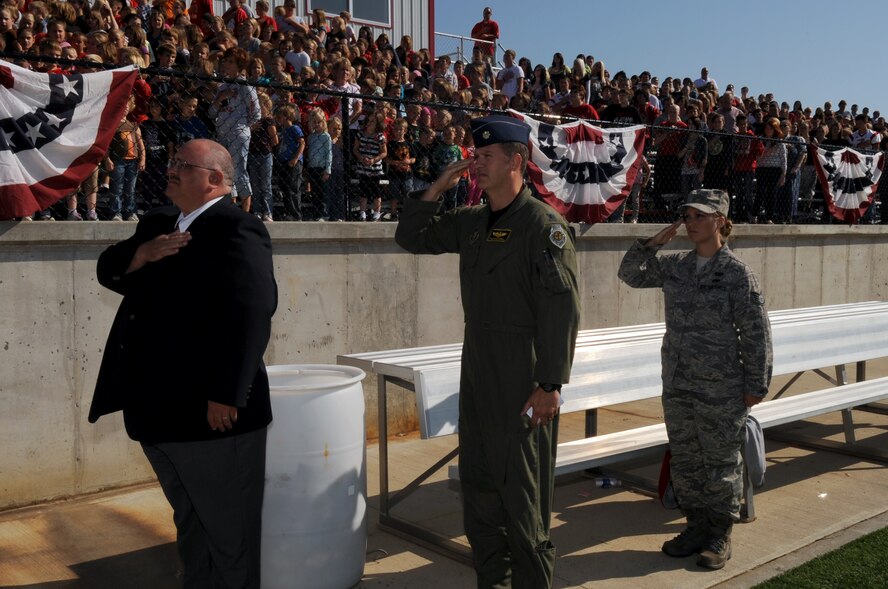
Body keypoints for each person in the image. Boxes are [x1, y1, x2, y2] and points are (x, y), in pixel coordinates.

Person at [395, 115, 581, 588]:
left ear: (516, 160)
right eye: (474, 156)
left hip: (523, 374)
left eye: (486, 156)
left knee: (523, 498)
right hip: (478, 367)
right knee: (479, 490)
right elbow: (411, 237)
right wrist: (439, 185)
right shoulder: (473, 222)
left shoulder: (543, 227)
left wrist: (550, 383)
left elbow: (561, 310)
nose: (475, 163)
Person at [88, 138, 278, 587]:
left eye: (182, 164)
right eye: (171, 161)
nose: (170, 169)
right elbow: (107, 268)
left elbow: (251, 313)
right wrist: (142, 254)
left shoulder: (238, 227)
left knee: (231, 534)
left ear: (214, 179)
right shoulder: (157, 222)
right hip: (156, 412)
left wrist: (226, 394)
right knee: (192, 523)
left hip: (210, 417)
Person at [618, 189, 772, 571]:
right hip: (678, 381)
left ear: (719, 220)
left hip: (720, 386)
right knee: (686, 461)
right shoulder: (676, 266)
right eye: (687, 216)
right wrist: (652, 242)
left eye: (699, 216)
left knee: (719, 464)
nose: (690, 223)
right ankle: (695, 528)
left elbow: (755, 332)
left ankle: (719, 535)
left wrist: (757, 384)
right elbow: (629, 274)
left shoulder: (737, 274)